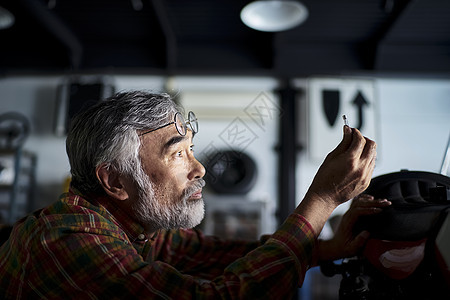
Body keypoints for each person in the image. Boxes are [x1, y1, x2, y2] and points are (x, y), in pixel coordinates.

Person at [0, 91, 390, 299]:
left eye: (191, 148)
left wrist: (324, 249)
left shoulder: (139, 224)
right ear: (116, 182)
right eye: (177, 153)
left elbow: (213, 256)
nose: (199, 168)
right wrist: (321, 201)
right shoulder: (70, 242)